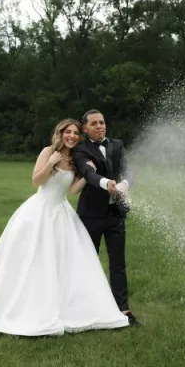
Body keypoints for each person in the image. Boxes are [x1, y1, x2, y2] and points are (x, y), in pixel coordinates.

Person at [0, 119, 129, 336]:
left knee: (62, 258)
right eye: (68, 132)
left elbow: (73, 190)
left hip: (62, 213)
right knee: (32, 256)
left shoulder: (76, 160)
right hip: (39, 211)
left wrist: (86, 175)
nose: (72, 136)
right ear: (61, 133)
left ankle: (64, 298)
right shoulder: (48, 151)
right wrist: (51, 162)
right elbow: (37, 180)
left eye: (75, 133)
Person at [73, 110, 140, 327]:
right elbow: (87, 173)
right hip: (90, 215)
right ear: (85, 128)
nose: (100, 126)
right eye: (94, 123)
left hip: (115, 214)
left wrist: (125, 184)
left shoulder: (118, 145)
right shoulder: (81, 149)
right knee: (87, 262)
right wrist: (106, 184)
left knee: (118, 264)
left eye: (102, 122)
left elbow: (128, 171)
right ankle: (86, 307)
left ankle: (123, 309)